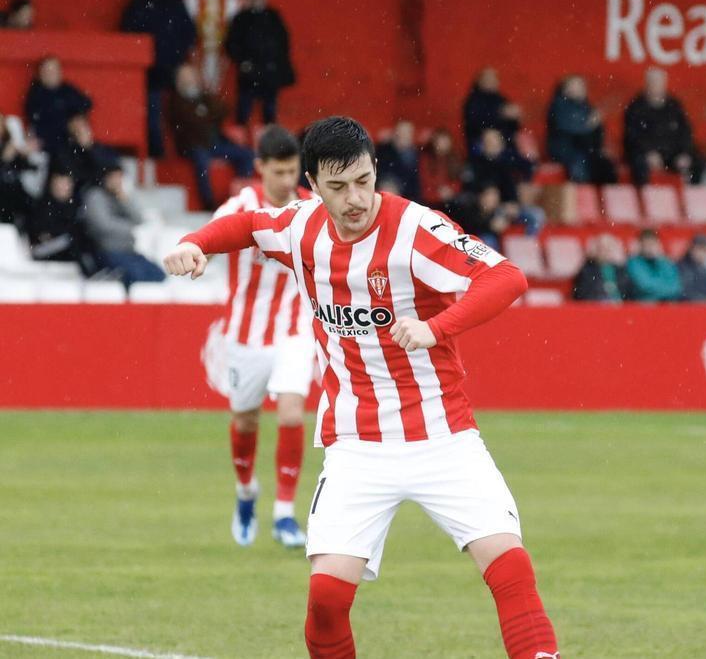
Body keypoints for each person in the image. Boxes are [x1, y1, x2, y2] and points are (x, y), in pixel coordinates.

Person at [164, 115, 558, 659]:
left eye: (364, 181)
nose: (355, 198)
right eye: (337, 186)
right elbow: (249, 226)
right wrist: (194, 243)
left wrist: (435, 327)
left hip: (443, 435)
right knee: (325, 598)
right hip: (356, 444)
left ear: (375, 171)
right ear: (312, 183)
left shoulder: (416, 229)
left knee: (510, 568)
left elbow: (505, 277)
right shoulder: (301, 228)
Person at [196, 125, 314, 549]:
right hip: (244, 336)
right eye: (279, 172)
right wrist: (196, 253)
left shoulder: (311, 209)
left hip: (295, 329)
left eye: (292, 172)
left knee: (290, 412)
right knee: (245, 419)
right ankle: (246, 491)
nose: (287, 181)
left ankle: (284, 512)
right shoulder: (240, 206)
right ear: (260, 168)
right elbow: (208, 242)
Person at [121, 0, 197, 158]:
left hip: (175, 72)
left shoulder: (176, 2)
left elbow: (190, 33)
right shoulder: (139, 3)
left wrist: (180, 60)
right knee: (153, 120)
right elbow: (128, 34)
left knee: (187, 114)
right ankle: (158, 158)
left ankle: (189, 153)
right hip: (150, 74)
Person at [167, 64, 255, 210]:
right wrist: (203, 113)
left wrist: (203, 107)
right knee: (201, 161)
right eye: (185, 78)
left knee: (247, 154)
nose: (189, 81)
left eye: (191, 77)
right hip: (192, 146)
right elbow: (189, 122)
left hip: (214, 145)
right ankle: (208, 202)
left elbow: (222, 110)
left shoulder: (204, 98)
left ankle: (241, 195)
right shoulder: (175, 100)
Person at [80, 164, 166, 288]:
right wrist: (130, 227)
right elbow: (103, 225)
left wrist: (124, 200)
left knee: (158, 275)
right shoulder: (95, 196)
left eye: (119, 177)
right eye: (114, 177)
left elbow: (139, 219)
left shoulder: (121, 196)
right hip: (106, 251)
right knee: (137, 276)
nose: (117, 181)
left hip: (129, 251)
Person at [224, 0, 295, 125]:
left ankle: (268, 143)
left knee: (269, 115)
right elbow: (231, 44)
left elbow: (284, 42)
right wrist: (243, 62)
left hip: (270, 73)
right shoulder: (241, 18)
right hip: (249, 73)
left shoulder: (274, 16)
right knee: (243, 114)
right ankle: (240, 145)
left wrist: (276, 65)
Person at [623, 67, 704, 185]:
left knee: (697, 162)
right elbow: (632, 136)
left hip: (671, 153)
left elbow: (685, 132)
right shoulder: (636, 107)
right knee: (639, 165)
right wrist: (648, 152)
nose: (656, 86)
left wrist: (684, 152)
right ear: (647, 84)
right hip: (644, 153)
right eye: (653, 83)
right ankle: (645, 197)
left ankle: (691, 195)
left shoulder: (674, 106)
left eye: (659, 83)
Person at [26, 165, 98, 275]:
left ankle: (97, 270)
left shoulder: (74, 206)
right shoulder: (42, 205)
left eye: (68, 183)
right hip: (45, 249)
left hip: (66, 247)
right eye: (62, 183)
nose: (66, 187)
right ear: (53, 183)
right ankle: (90, 274)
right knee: (74, 241)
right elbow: (41, 233)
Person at [547, 74, 614, 184]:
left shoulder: (585, 106)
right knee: (579, 164)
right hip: (565, 149)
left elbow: (595, 134)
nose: (579, 89)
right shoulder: (559, 105)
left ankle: (604, 197)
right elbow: (571, 129)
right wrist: (590, 124)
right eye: (575, 86)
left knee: (605, 164)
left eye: (581, 86)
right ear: (565, 89)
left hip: (584, 149)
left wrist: (598, 144)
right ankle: (581, 193)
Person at [24, 56, 93, 154]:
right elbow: (38, 119)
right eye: (47, 71)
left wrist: (76, 120)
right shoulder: (36, 93)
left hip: (70, 138)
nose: (51, 74)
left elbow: (86, 104)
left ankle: (88, 157)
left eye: (54, 70)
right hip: (48, 140)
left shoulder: (67, 89)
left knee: (81, 128)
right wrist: (67, 123)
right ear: (40, 74)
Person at [54, 114, 119, 197]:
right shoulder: (66, 154)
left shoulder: (100, 148)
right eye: (76, 129)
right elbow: (77, 179)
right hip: (84, 196)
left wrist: (89, 148)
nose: (81, 131)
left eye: (83, 127)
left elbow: (111, 167)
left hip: (104, 192)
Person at [462, 66, 522, 149]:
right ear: (480, 81)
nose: (492, 81)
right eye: (488, 79)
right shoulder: (473, 101)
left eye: (494, 78)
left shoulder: (501, 99)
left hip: (506, 144)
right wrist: (501, 113)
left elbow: (514, 127)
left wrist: (515, 117)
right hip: (480, 144)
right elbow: (476, 121)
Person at [626, 228, 682, 302]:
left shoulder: (665, 262)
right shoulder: (633, 262)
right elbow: (644, 286)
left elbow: (676, 286)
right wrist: (666, 289)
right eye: (647, 244)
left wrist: (660, 260)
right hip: (645, 306)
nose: (650, 247)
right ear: (640, 245)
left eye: (652, 244)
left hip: (667, 304)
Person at [572, 233, 630, 302]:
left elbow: (628, 293)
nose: (604, 251)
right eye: (601, 248)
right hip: (596, 308)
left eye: (608, 248)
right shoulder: (586, 270)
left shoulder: (620, 270)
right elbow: (582, 295)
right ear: (595, 250)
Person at [375, 119, 421, 201]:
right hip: (384, 192)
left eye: (407, 132)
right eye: (401, 132)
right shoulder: (383, 150)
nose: (404, 135)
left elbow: (416, 184)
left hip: (408, 197)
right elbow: (377, 170)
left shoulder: (417, 155)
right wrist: (386, 183)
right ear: (395, 132)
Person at [419, 127, 463, 208]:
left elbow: (458, 181)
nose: (443, 144)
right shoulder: (426, 159)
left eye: (446, 141)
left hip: (451, 200)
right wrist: (438, 194)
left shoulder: (455, 159)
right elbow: (425, 182)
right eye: (440, 141)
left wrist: (451, 190)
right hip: (431, 201)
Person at [676, 234, 706, 303]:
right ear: (691, 249)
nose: (702, 253)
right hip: (689, 310)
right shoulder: (681, 267)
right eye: (699, 249)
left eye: (705, 250)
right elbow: (684, 294)